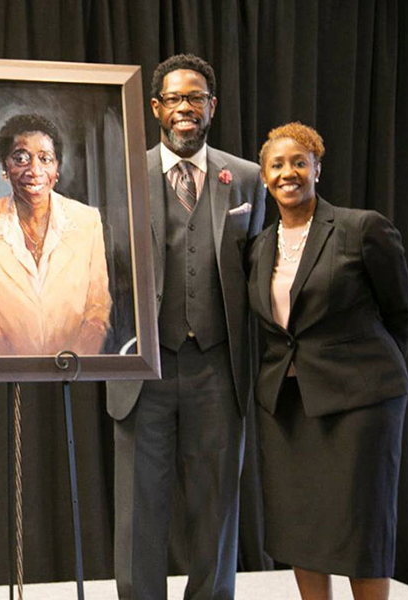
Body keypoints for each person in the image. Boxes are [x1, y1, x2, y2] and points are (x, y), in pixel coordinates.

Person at [107, 54, 266, 600]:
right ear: (155, 108)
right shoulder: (123, 171)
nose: (185, 109)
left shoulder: (245, 178)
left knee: (215, 505)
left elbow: (261, 273)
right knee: (138, 509)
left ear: (212, 107)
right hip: (142, 366)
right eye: (174, 99)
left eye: (195, 98)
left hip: (218, 368)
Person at [247, 122, 408, 600]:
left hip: (361, 404)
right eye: (277, 165)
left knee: (361, 528)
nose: (288, 173)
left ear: (317, 168)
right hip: (288, 405)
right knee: (300, 527)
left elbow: (401, 309)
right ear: (263, 178)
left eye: (299, 162)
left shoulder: (361, 228)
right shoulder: (259, 248)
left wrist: (370, 372)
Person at [0, 113, 112, 355]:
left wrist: (69, 368)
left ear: (57, 168)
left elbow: (97, 313)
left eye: (45, 158)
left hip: (74, 376)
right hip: (2, 381)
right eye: (21, 158)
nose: (34, 170)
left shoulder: (87, 222)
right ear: (5, 167)